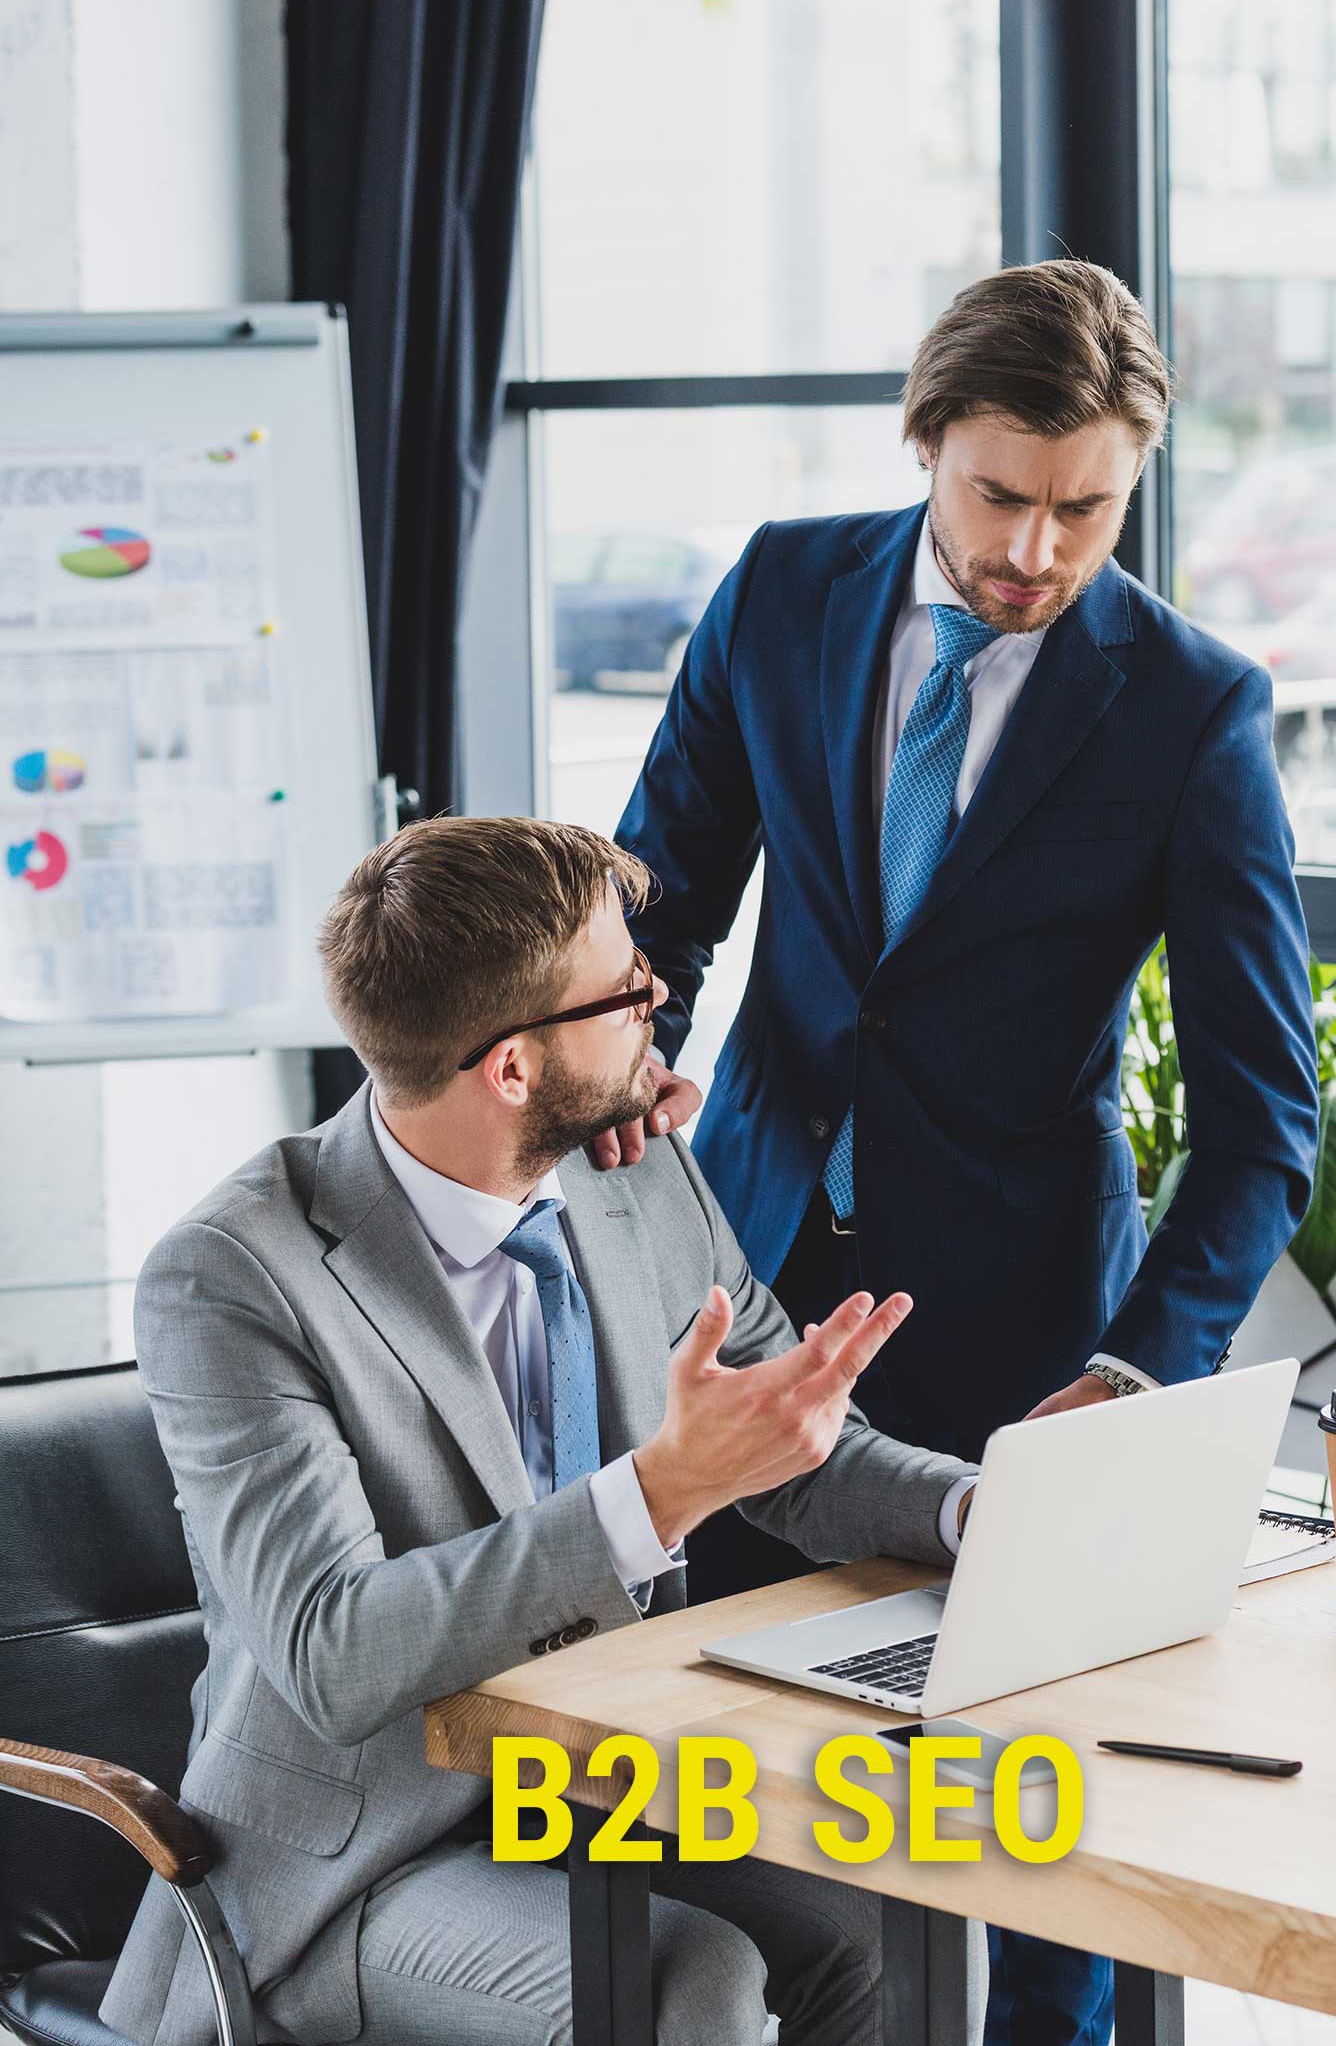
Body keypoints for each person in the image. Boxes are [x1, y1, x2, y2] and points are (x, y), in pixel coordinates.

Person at [607, 259, 1321, 2046]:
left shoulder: (1192, 706)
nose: (1037, 550)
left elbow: (1263, 1122)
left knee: (1037, 1847)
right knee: (731, 1792)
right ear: (926, 441)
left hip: (1031, 1341)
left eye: (1089, 509)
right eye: (1003, 494)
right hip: (752, 1302)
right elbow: (656, 903)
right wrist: (619, 1061)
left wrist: (1132, 1372)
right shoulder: (782, 591)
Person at [99, 816, 988, 2046]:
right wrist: (654, 1497)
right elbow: (333, 1651)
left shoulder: (631, 1172)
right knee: (686, 1980)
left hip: (611, 1780)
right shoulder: (234, 1273)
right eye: (625, 991)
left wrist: (979, 1512)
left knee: (911, 1894)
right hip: (360, 1858)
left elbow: (780, 1435)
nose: (659, 1002)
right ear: (513, 1068)